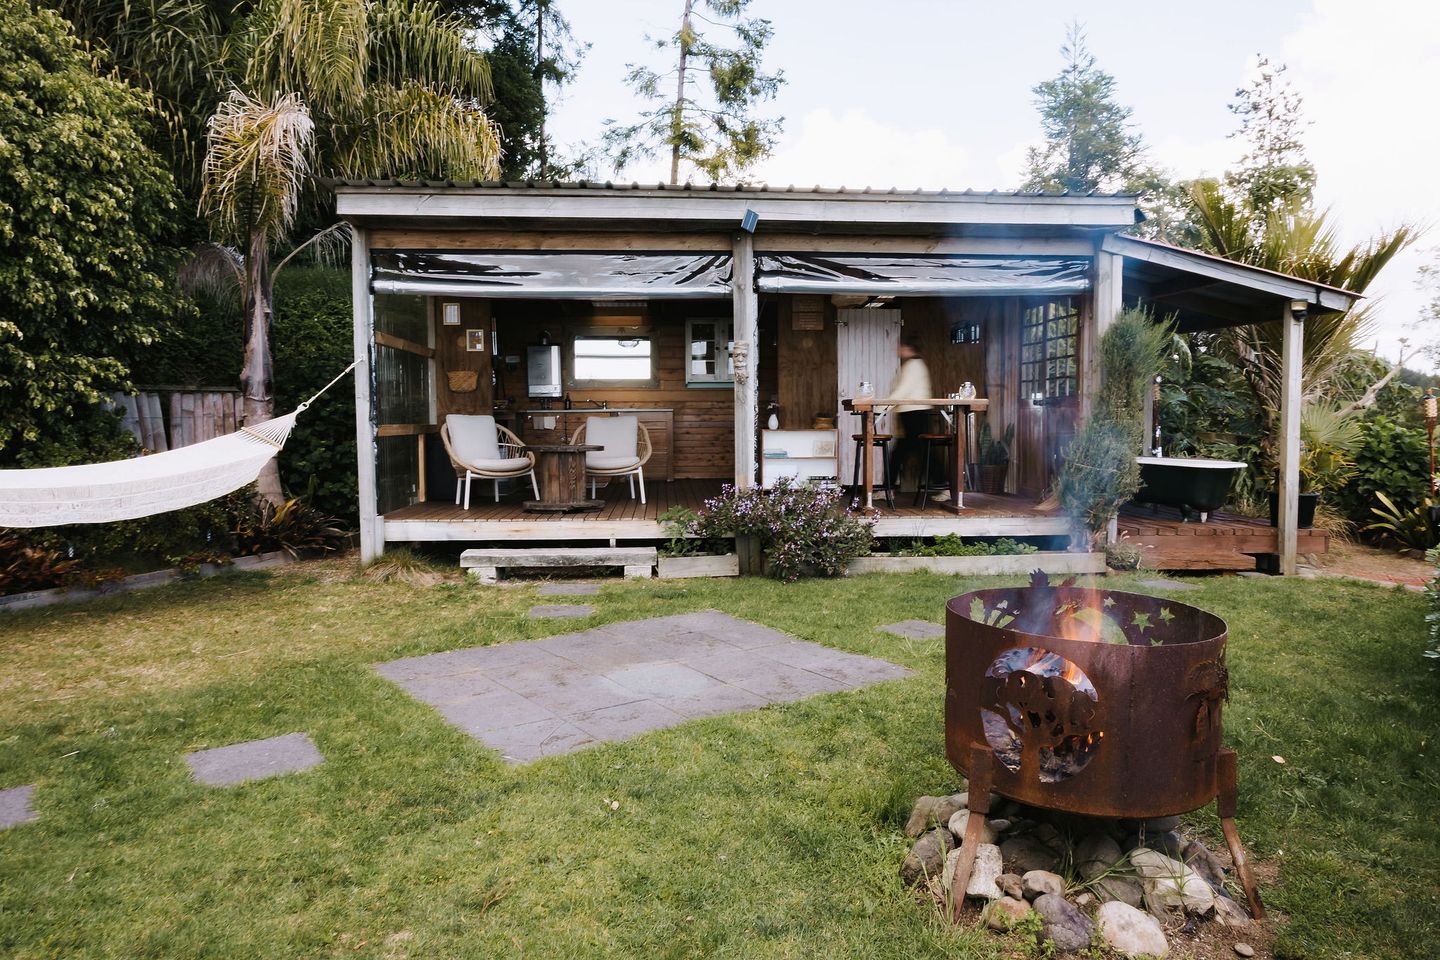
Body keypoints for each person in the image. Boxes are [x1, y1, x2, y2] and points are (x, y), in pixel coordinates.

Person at [886, 337, 942, 496]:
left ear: (908, 348)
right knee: (920, 452)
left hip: (914, 414)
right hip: (913, 413)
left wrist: (882, 406)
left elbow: (903, 390)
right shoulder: (915, 365)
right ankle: (942, 485)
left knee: (916, 452)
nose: (898, 350)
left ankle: (888, 488)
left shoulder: (913, 366)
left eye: (900, 347)